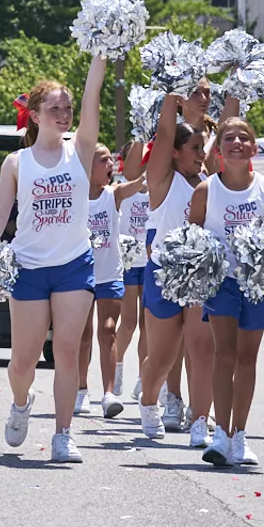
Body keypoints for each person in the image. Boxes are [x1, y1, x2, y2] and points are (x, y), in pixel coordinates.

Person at [0, 56, 108, 464]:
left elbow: (94, 97)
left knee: (68, 351)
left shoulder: (82, 149)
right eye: (53, 108)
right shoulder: (17, 163)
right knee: (23, 359)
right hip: (29, 268)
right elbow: (1, 214)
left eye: (67, 108)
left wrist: (100, 51)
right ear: (35, 116)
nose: (63, 114)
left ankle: (63, 434)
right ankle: (21, 403)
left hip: (74, 264)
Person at [190, 117, 264, 467]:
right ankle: (221, 435)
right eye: (228, 137)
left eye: (243, 138)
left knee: (247, 358)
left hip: (257, 282)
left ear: (254, 147)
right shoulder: (205, 191)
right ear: (217, 149)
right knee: (224, 354)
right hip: (222, 282)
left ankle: (240, 436)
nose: (236, 142)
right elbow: (193, 239)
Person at [138, 93, 215, 449]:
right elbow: (166, 134)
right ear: (174, 152)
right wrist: (170, 99)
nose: (202, 154)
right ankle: (150, 401)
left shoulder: (207, 183)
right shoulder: (162, 182)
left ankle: (200, 421)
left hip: (199, 276)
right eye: (196, 147)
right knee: (163, 355)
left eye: (202, 147)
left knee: (201, 348)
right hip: (163, 276)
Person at [76, 145, 143, 419]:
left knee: (108, 329)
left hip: (110, 275)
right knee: (82, 335)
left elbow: (141, 182)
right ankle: (81, 390)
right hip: (79, 274)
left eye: (110, 159)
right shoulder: (74, 196)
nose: (110, 164)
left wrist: (143, 139)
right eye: (103, 160)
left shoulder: (114, 194)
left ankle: (108, 393)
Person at [114, 140, 150, 401]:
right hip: (127, 264)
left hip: (148, 263)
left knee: (148, 325)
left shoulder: (155, 187)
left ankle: (143, 379)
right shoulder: (118, 188)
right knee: (127, 324)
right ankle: (115, 370)